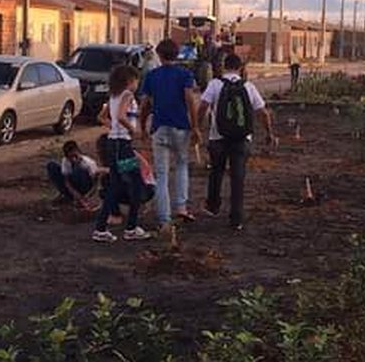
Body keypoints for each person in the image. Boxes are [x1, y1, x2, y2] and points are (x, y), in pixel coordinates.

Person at [198, 54, 275, 231]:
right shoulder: (248, 86)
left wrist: (197, 127)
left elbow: (203, 106)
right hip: (242, 139)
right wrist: (269, 133)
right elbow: (262, 112)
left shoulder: (215, 84)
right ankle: (236, 218)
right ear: (240, 68)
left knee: (216, 172)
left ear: (223, 67)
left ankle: (213, 205)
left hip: (218, 137)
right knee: (238, 177)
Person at [140, 39, 200, 229]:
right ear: (177, 54)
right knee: (182, 165)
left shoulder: (152, 76)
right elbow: (190, 99)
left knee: (161, 174)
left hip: (159, 128)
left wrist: (142, 127)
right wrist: (195, 126)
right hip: (181, 127)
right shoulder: (185, 74)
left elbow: (145, 104)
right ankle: (181, 207)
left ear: (159, 55)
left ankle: (164, 218)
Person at [92, 65, 151, 242]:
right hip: (122, 146)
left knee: (115, 186)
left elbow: (102, 117)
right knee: (137, 183)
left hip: (113, 144)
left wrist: (113, 128)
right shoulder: (127, 95)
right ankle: (131, 227)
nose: (137, 85)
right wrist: (133, 130)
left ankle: (100, 228)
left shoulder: (113, 96)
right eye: (136, 81)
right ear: (130, 81)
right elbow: (120, 116)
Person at [46, 140, 105, 209]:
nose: (73, 159)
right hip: (74, 188)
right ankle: (68, 196)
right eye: (70, 157)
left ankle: (79, 198)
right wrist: (75, 194)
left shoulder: (88, 163)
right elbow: (67, 181)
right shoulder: (66, 161)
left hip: (86, 188)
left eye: (75, 156)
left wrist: (87, 196)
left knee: (78, 169)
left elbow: (96, 184)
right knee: (52, 165)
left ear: (79, 152)